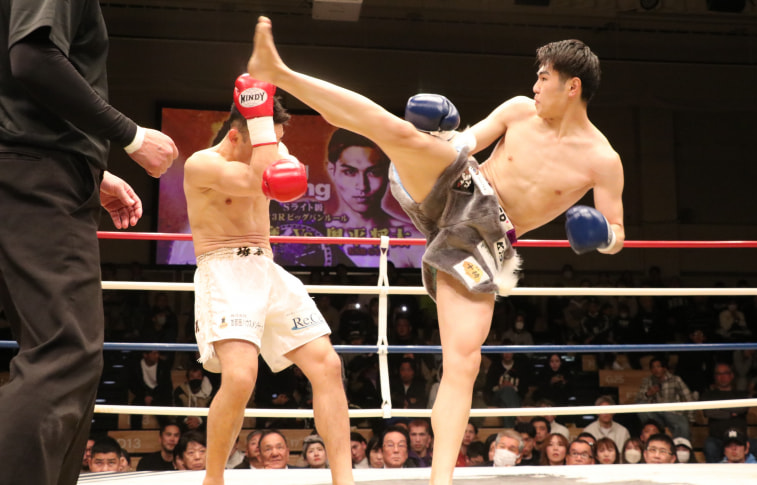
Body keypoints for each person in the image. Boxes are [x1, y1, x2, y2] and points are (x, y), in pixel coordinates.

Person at [246, 17, 624, 485]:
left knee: (465, 361)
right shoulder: (519, 110)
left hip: (485, 241)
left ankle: (439, 479)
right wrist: (440, 135)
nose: (535, 86)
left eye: (544, 78)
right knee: (396, 132)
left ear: (573, 87)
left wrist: (602, 236)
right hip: (461, 186)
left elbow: (618, 234)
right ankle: (279, 72)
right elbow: (469, 142)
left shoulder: (602, 160)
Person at [0, 2, 178, 483]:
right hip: (36, 175)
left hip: (27, 168)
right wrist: (131, 135)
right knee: (65, 355)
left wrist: (91, 167)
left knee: (60, 355)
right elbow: (32, 57)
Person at [184, 77, 352, 485]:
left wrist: (266, 131)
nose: (275, 148)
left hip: (267, 266)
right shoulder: (202, 164)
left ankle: (344, 480)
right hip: (224, 268)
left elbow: (279, 184)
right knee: (240, 377)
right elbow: (258, 181)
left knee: (328, 365)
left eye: (277, 140)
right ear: (236, 134)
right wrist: (260, 126)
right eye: (265, 138)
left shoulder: (271, 150)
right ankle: (213, 480)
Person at [323, 128, 424, 268]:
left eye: (374, 172)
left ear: (388, 172)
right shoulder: (315, 235)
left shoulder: (414, 239)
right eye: (350, 172)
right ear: (332, 170)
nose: (362, 186)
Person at [635, 355, 694, 439]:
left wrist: (691, 418)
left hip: (673, 412)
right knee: (641, 407)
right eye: (653, 367)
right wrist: (648, 393)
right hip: (656, 413)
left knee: (683, 424)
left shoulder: (675, 379)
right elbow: (638, 399)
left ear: (664, 368)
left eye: (658, 367)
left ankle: (680, 444)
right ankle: (655, 433)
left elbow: (688, 398)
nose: (656, 370)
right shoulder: (647, 380)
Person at [126, 349, 174, 429]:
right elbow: (133, 385)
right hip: (142, 394)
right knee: (136, 408)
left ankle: (166, 430)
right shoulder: (136, 366)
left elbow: (167, 386)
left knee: (162, 409)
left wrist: (153, 397)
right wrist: (145, 396)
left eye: (158, 353)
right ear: (145, 355)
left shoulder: (163, 366)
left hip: (159, 395)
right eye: (154, 353)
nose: (157, 356)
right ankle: (136, 432)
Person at [173, 363, 216, 431]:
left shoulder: (211, 392)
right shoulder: (180, 391)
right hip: (184, 424)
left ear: (202, 378)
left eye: (198, 376)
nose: (195, 379)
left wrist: (199, 420)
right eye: (192, 377)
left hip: (204, 424)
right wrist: (187, 421)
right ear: (187, 379)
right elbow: (177, 410)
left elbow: (212, 411)